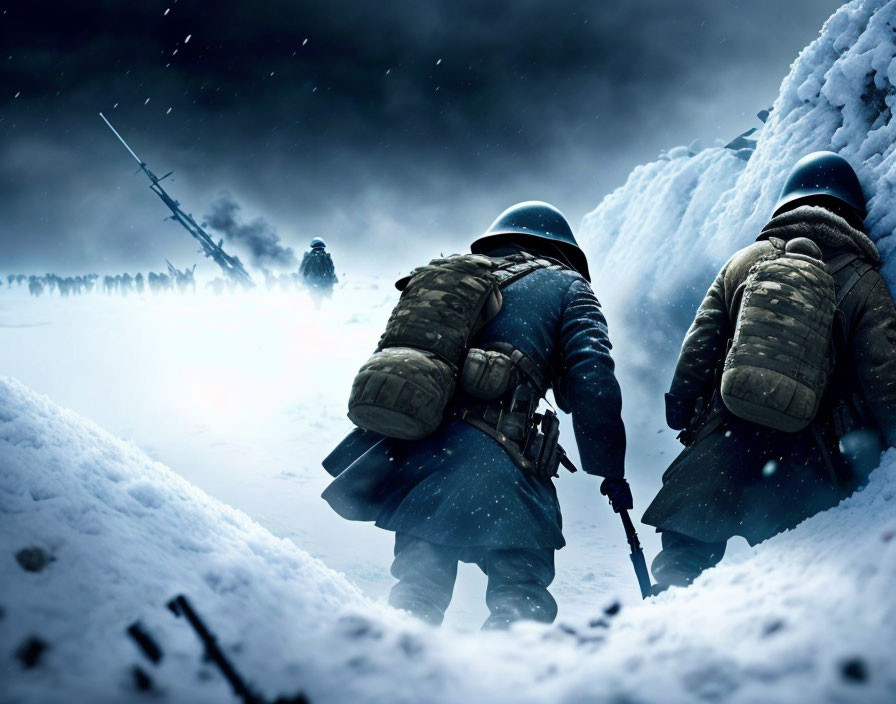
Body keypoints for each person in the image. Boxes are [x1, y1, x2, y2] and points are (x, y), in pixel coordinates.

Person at [322, 202, 629, 628]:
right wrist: (610, 468)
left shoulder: (456, 274)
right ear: (563, 250)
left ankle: (386, 675)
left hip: (421, 456)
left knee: (416, 593)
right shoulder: (568, 285)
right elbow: (592, 375)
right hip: (502, 467)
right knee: (520, 596)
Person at [643, 152, 896, 591]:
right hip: (809, 453)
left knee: (681, 562)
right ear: (853, 212)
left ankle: (657, 632)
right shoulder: (866, 283)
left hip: (725, 432)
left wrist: (682, 410)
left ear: (786, 204)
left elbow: (699, 345)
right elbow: (883, 375)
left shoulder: (745, 260)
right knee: (789, 585)